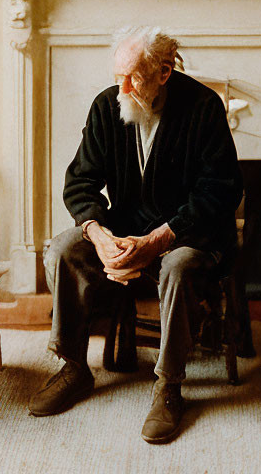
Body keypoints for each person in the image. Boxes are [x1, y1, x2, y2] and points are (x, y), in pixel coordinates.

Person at [28, 25, 243, 444]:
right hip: (126, 234)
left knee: (178, 267)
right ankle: (73, 367)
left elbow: (220, 191)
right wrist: (100, 234)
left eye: (134, 78)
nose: (123, 87)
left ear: (164, 72)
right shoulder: (109, 106)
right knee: (64, 247)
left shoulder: (203, 107)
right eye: (117, 76)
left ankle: (168, 386)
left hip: (190, 236)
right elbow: (80, 183)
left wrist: (159, 240)